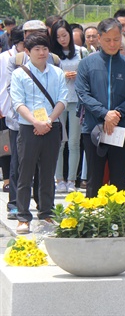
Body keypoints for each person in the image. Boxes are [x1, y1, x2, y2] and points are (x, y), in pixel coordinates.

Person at [75, 18, 125, 198]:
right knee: (94, 178)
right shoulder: (86, 64)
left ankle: (118, 221)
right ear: (98, 38)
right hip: (93, 128)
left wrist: (117, 114)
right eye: (107, 40)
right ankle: (93, 219)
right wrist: (105, 114)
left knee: (119, 179)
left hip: (121, 129)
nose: (112, 44)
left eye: (116, 39)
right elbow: (82, 93)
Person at [11, 33, 68, 234]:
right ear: (27, 51)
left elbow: (63, 99)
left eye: (45, 48)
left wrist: (48, 121)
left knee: (47, 173)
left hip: (51, 126)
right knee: (25, 173)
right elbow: (18, 102)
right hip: (28, 128)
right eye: (37, 49)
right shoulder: (19, 74)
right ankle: (23, 217)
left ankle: (46, 213)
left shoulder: (57, 73)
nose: (42, 53)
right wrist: (36, 122)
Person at [49, 20, 88, 194]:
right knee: (58, 142)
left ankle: (72, 179)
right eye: (58, 37)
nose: (62, 39)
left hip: (77, 101)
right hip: (58, 101)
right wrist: (62, 75)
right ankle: (59, 179)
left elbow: (89, 74)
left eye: (64, 35)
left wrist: (78, 75)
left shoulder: (82, 51)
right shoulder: (51, 55)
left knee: (74, 142)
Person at [0, 25, 24, 220]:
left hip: (36, 118)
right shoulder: (5, 58)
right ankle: (13, 200)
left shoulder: (44, 57)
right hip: (11, 114)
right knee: (12, 155)